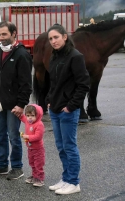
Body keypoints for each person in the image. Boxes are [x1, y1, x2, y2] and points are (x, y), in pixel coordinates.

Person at [0, 21, 32, 180]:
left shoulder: (22, 54)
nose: (1, 37)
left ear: (14, 34)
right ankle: (2, 165)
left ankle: (17, 167)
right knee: (0, 136)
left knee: (13, 136)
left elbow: (26, 84)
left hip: (14, 105)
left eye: (4, 34)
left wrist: (21, 105)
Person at [46, 24, 90, 194]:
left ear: (65, 37)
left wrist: (70, 106)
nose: (53, 41)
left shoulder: (75, 56)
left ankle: (73, 182)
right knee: (61, 146)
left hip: (68, 111)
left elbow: (84, 84)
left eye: (56, 37)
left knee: (70, 146)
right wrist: (49, 100)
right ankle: (65, 178)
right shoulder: (54, 56)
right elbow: (53, 82)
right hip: (55, 109)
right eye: (50, 39)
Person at [19, 104, 45, 187]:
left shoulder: (39, 124)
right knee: (32, 163)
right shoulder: (27, 121)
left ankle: (40, 178)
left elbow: (38, 136)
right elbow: (22, 118)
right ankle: (34, 176)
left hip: (38, 149)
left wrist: (28, 137)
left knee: (38, 163)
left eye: (32, 115)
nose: (29, 118)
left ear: (38, 115)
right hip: (30, 148)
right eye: (28, 115)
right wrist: (18, 114)